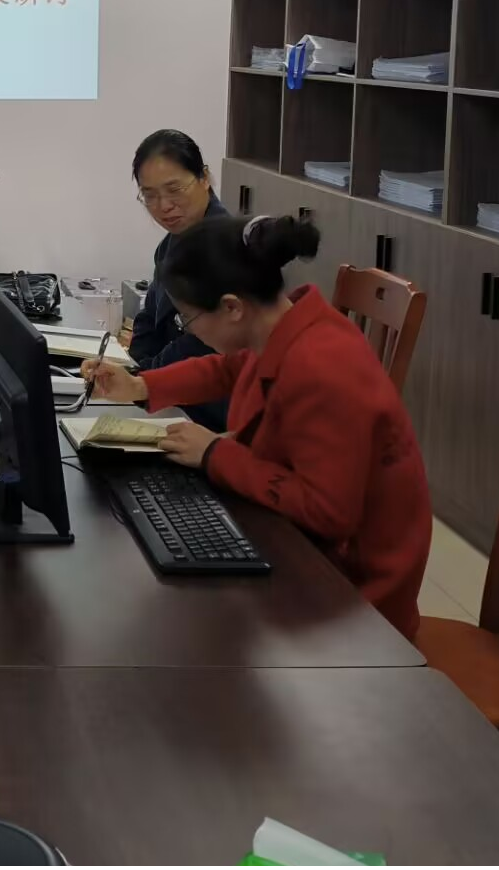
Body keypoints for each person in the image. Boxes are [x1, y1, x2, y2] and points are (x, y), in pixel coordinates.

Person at [84, 215, 431, 638]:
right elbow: (228, 368)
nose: (188, 329)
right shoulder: (281, 326)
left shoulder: (323, 366)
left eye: (188, 319)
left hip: (353, 595)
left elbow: (328, 513)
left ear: (232, 307)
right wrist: (140, 385)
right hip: (301, 544)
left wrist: (215, 453)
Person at [126, 130, 228, 430]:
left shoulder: (227, 249)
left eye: (174, 190)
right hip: (169, 396)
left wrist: (142, 383)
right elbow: (149, 318)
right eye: (150, 195)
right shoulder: (171, 243)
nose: (163, 206)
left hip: (210, 411)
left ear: (204, 178)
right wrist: (135, 369)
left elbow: (197, 343)